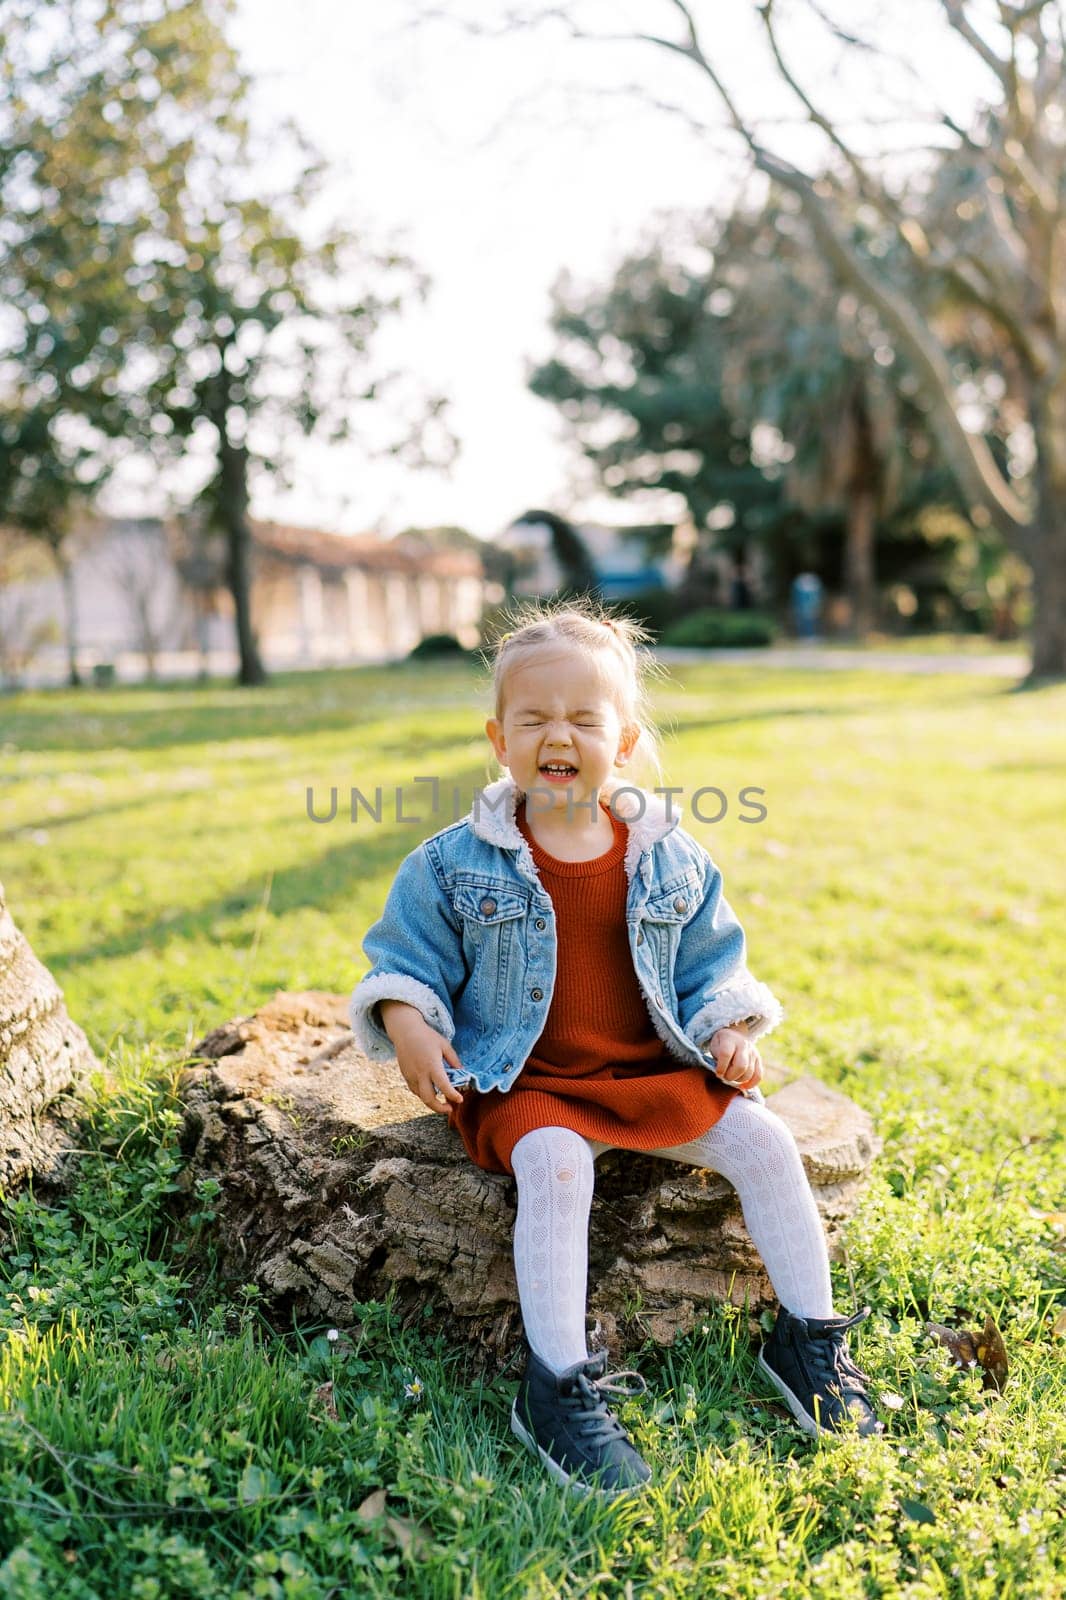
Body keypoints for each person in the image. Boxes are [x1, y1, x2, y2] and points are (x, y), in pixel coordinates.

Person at [349, 597, 883, 1501]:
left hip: (646, 1071)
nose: (559, 734)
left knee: (764, 1141)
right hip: (533, 1080)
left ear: (625, 741)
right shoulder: (450, 863)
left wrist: (728, 1029)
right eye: (534, 719)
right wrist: (409, 1023)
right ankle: (556, 1386)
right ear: (498, 739)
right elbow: (405, 961)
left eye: (583, 719)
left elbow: (716, 964)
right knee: (557, 1167)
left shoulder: (671, 856)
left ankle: (809, 1339)